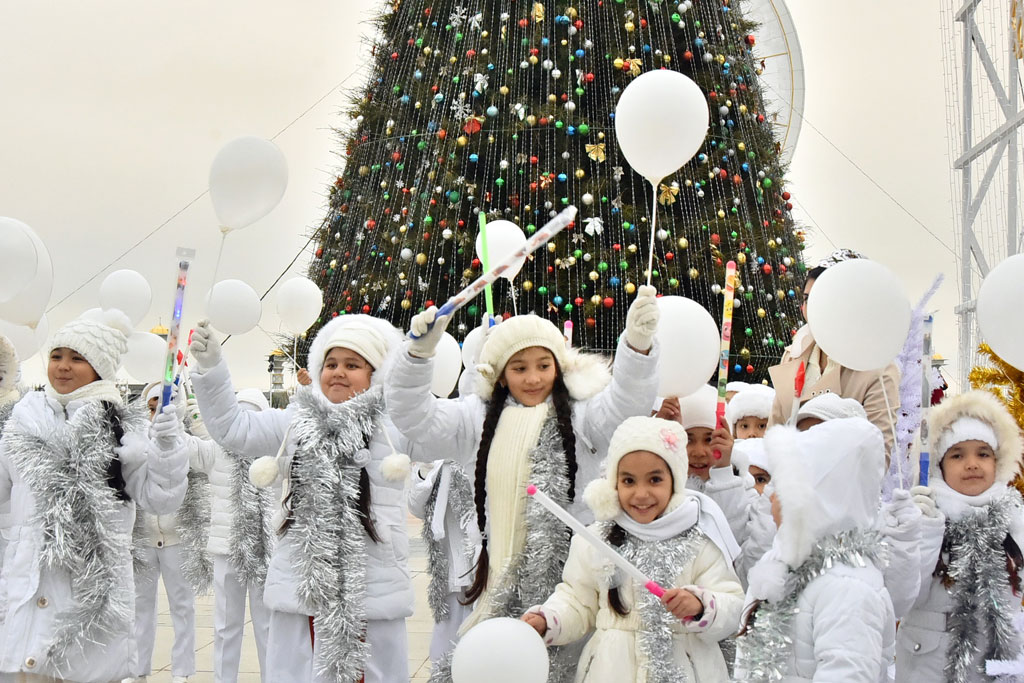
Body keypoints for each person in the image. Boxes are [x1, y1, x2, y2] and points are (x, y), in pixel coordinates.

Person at [386, 289, 661, 676]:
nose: (533, 378)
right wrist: (417, 357)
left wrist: (637, 347)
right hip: (495, 583)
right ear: (500, 375)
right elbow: (413, 417)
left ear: (558, 367)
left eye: (543, 365)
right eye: (519, 368)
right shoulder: (474, 419)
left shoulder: (584, 417)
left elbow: (627, 403)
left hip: (573, 590)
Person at [189, 315, 413, 683]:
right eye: (331, 363)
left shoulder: (396, 426)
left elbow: (442, 427)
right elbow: (233, 429)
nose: (338, 372)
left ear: (377, 373)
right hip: (300, 587)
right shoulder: (295, 422)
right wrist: (212, 368)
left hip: (373, 590)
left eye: (352, 364)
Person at [0, 310, 190, 681]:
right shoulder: (20, 421)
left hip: (90, 596)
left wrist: (168, 446)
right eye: (57, 356)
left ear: (100, 368)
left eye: (77, 358)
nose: (63, 367)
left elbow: (159, 497)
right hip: (25, 586)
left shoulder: (119, 427)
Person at [522, 416, 743, 682]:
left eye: (654, 480)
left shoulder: (700, 537)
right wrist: (549, 619)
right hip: (611, 670)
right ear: (614, 483)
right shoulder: (595, 540)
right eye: (628, 481)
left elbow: (732, 603)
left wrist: (700, 605)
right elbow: (577, 600)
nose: (641, 494)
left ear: (674, 481)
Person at [734, 417, 895, 681]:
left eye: (783, 487)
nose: (771, 497)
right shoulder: (782, 565)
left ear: (816, 500)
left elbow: (847, 672)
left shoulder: (847, 587)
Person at [897, 391, 1024, 682]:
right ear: (940, 465)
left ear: (998, 461)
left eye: (983, 453)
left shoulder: (1014, 519)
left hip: (995, 668)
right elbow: (903, 596)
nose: (972, 464)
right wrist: (924, 529)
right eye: (957, 455)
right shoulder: (921, 515)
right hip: (927, 668)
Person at [767, 249, 900, 460]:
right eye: (807, 299)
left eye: (821, 298)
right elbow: (773, 433)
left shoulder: (876, 368)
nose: (810, 308)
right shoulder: (793, 355)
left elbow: (877, 457)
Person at [189, 388, 275, 683]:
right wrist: (178, 416)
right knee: (226, 626)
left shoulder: (274, 455)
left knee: (267, 626)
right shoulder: (216, 449)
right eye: (241, 414)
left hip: (265, 552)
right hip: (226, 550)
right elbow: (187, 448)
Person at [130, 383, 215, 683]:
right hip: (142, 538)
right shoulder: (136, 444)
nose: (155, 415)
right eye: (151, 409)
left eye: (162, 408)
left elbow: (208, 457)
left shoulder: (187, 443)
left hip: (178, 538)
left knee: (182, 606)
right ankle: (138, 669)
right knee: (140, 606)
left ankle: (182, 671)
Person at [407, 459, 479, 664]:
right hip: (453, 575)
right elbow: (416, 507)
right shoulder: (441, 463)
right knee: (445, 651)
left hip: (488, 572)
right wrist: (423, 473)